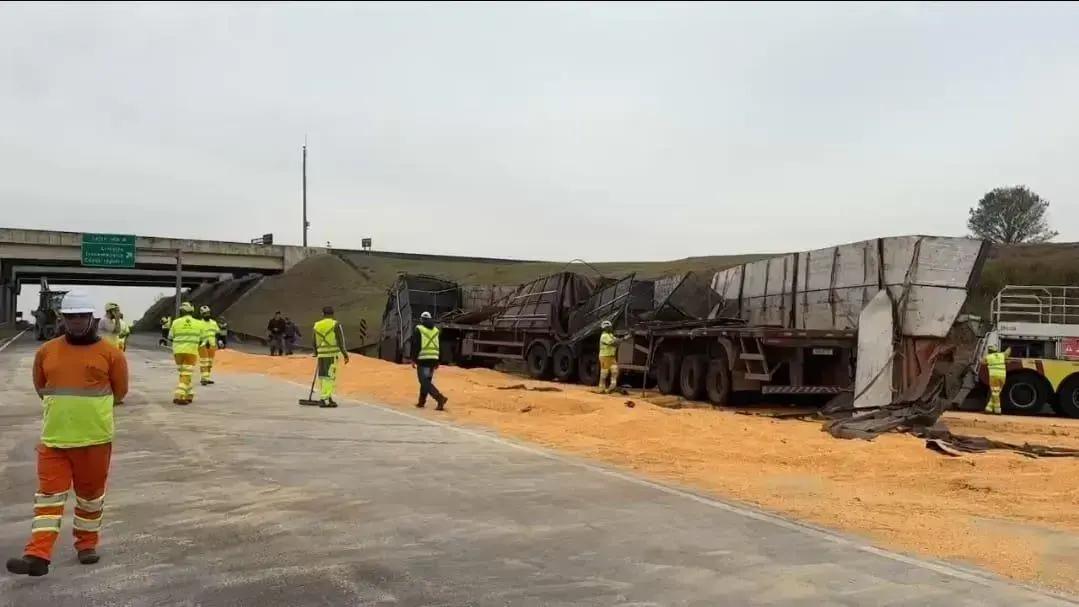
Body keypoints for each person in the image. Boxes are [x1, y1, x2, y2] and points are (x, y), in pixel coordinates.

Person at [6, 290, 128, 577]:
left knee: (90, 498)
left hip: (95, 440)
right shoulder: (47, 351)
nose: (76, 322)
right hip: (55, 441)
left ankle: (86, 545)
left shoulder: (111, 353)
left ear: (92, 318)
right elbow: (41, 387)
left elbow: (120, 391)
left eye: (82, 316)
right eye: (71, 317)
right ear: (62, 318)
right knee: (48, 498)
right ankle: (37, 556)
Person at [312, 306, 349, 408]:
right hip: (331, 354)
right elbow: (340, 341)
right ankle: (324, 399)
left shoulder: (317, 325)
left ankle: (328, 397)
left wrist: (316, 352)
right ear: (332, 314)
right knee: (329, 377)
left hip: (321, 354)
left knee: (323, 376)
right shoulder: (335, 324)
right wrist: (345, 354)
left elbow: (313, 341)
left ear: (323, 314)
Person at [169, 303, 204, 405]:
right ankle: (179, 395)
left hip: (178, 352)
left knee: (184, 373)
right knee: (186, 373)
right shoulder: (199, 323)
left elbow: (170, 337)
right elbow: (202, 340)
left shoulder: (175, 322)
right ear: (192, 311)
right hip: (191, 352)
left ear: (181, 311)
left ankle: (189, 394)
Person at [411, 311, 448, 410]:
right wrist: (439, 360)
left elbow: (416, 345)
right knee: (426, 381)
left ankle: (439, 398)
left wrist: (413, 359)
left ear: (421, 319)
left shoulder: (419, 329)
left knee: (423, 381)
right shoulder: (436, 330)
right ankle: (421, 402)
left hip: (423, 359)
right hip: (433, 359)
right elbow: (440, 346)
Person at [595, 320, 631, 394]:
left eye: (610, 327)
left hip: (611, 357)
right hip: (605, 357)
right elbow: (614, 343)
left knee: (615, 372)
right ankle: (601, 389)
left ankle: (612, 387)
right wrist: (625, 338)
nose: (610, 328)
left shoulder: (610, 335)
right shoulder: (604, 336)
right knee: (604, 374)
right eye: (608, 327)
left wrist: (627, 336)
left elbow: (617, 341)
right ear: (604, 328)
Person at [984, 343, 1011, 415]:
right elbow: (1007, 352)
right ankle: (988, 408)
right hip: (1003, 377)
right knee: (996, 393)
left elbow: (982, 362)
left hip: (994, 377)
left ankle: (997, 410)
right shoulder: (1002, 355)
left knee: (995, 393)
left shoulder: (988, 357)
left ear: (989, 351)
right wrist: (1010, 346)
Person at [198, 306, 220, 386]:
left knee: (210, 363)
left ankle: (206, 378)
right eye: (205, 313)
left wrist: (218, 341)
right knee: (204, 362)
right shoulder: (199, 323)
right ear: (202, 314)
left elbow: (217, 333)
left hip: (212, 345)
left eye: (208, 313)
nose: (207, 314)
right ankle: (203, 379)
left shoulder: (213, 323)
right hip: (202, 345)